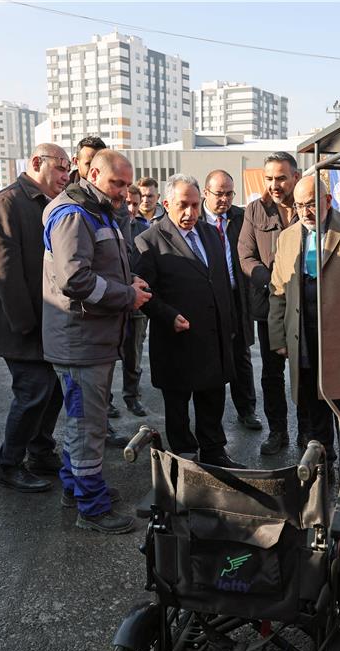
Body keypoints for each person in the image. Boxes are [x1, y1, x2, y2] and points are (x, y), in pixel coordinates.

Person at [42, 149, 149, 534]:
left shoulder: (97, 210)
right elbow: (76, 280)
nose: (123, 191)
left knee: (83, 423)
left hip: (90, 339)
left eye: (126, 184)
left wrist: (126, 284)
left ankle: (78, 490)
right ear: (91, 173)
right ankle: (92, 507)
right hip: (80, 342)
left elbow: (96, 268)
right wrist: (126, 296)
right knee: (87, 427)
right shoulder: (74, 214)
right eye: (116, 183)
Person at [0, 144, 70, 492]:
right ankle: (9, 464)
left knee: (53, 390)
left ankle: (41, 452)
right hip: (20, 323)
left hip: (46, 320)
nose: (65, 175)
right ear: (36, 163)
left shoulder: (50, 205)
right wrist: (27, 324)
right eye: (60, 167)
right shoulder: (7, 203)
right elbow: (3, 270)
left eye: (68, 169)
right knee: (33, 391)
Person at [269, 177, 340, 467]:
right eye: (299, 205)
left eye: (311, 203)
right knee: (313, 409)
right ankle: (321, 468)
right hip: (304, 338)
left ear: (328, 200)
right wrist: (279, 337)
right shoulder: (287, 237)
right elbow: (278, 291)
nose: (305, 211)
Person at [135, 174, 243, 469]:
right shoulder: (149, 241)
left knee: (212, 397)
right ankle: (184, 457)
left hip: (212, 335)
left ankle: (214, 452)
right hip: (177, 339)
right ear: (166, 203)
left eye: (196, 205)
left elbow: (219, 281)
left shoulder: (210, 234)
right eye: (183, 205)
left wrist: (229, 323)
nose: (190, 213)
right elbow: (143, 292)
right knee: (178, 403)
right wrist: (168, 316)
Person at [238, 151, 307, 455]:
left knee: (307, 372)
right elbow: (245, 256)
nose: (274, 184)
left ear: (296, 176)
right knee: (271, 374)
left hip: (307, 306)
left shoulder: (310, 205)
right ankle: (277, 432)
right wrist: (271, 281)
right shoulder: (255, 210)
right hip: (269, 307)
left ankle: (309, 434)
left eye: (281, 177)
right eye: (269, 178)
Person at [200, 169, 263, 432]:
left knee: (241, 355)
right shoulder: (196, 219)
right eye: (219, 194)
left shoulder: (241, 217)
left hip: (238, 296)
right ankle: (208, 418)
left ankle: (246, 410)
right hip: (208, 299)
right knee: (210, 354)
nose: (224, 199)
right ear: (206, 193)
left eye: (229, 194)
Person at [117, 183, 151, 417]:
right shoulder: (110, 225)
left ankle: (132, 396)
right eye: (127, 202)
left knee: (134, 352)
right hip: (113, 298)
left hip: (138, 301)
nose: (131, 208)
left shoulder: (144, 228)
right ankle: (106, 401)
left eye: (135, 204)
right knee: (107, 354)